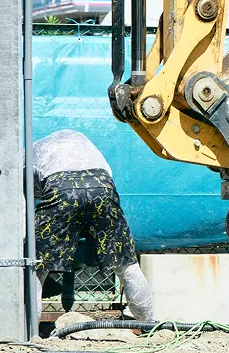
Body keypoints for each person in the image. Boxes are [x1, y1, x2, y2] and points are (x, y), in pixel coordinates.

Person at [33, 129, 153, 320]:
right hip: (101, 183)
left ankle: (29, 331)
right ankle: (149, 326)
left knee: (37, 267)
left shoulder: (24, 158)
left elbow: (21, 206)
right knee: (127, 266)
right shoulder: (81, 143)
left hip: (60, 185)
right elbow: (105, 180)